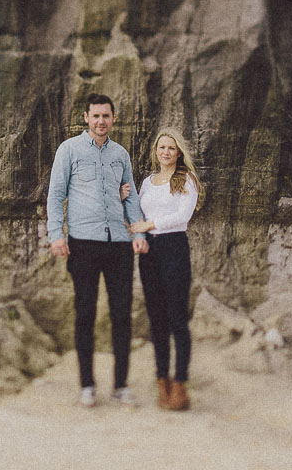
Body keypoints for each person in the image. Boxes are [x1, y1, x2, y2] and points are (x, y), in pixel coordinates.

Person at [47, 94, 149, 407]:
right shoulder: (69, 150)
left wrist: (138, 231)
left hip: (119, 243)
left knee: (122, 315)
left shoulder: (120, 154)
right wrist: (56, 234)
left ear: (113, 119)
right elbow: (56, 194)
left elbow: (130, 197)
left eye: (106, 116)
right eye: (95, 116)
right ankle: (87, 385)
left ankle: (120, 385)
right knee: (85, 313)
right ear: (86, 117)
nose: (100, 121)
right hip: (84, 242)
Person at [129, 127, 200, 412]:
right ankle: (162, 380)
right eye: (162, 148)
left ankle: (180, 382)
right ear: (156, 152)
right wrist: (139, 230)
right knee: (156, 318)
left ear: (179, 152)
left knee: (177, 318)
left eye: (171, 148)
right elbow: (136, 211)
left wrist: (149, 225)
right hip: (149, 252)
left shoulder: (187, 180)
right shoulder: (147, 182)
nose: (166, 152)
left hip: (174, 248)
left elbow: (182, 216)